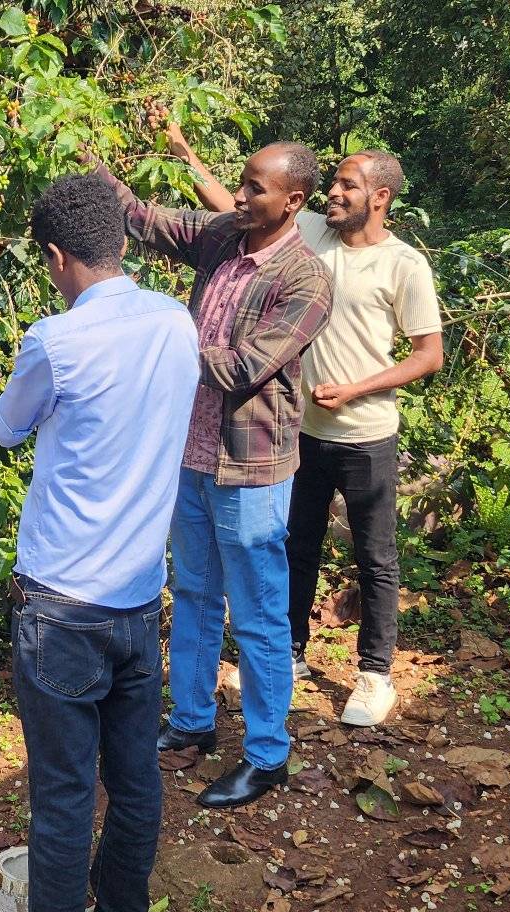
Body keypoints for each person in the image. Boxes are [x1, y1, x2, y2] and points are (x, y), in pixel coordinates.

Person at [0, 172, 198, 912]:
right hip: (137, 598)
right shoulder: (176, 322)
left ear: (58, 257)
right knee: (135, 782)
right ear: (123, 240)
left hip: (59, 605)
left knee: (59, 798)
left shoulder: (55, 340)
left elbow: (2, 427)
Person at [167, 126, 444, 727]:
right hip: (294, 434)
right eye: (334, 182)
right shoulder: (312, 234)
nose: (335, 193)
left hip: (364, 432)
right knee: (295, 549)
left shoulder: (403, 265)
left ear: (380, 197)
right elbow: (236, 206)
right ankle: (289, 655)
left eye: (349, 184)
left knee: (375, 557)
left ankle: (374, 673)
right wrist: (184, 154)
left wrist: (357, 387)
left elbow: (429, 354)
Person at [86, 144, 334, 809]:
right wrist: (90, 163)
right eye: (241, 185)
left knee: (257, 614)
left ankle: (266, 753)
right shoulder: (225, 234)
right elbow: (141, 218)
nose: (240, 197)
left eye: (255, 189)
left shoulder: (306, 279)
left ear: (294, 201)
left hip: (251, 463)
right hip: (191, 455)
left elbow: (247, 365)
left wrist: (162, 340)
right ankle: (192, 722)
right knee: (193, 593)